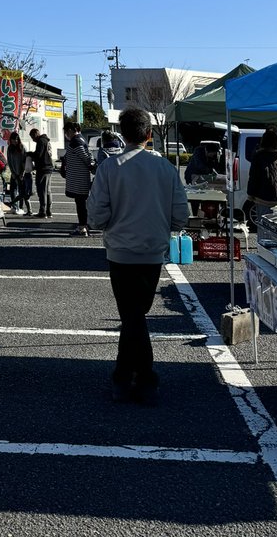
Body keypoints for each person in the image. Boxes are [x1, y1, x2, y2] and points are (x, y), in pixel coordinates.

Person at [87, 106, 189, 405]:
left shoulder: (110, 167)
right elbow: (180, 215)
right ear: (149, 134)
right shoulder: (165, 168)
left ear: (123, 133)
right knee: (136, 314)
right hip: (153, 251)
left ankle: (130, 378)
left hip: (120, 252)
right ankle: (140, 379)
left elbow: (96, 215)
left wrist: (110, 223)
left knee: (132, 316)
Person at [246, 126, 277, 224]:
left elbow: (253, 178)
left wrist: (250, 195)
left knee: (264, 227)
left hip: (263, 198)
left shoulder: (258, 155)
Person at [62, 120, 93, 235]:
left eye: (66, 132)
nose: (66, 135)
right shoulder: (81, 139)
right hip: (80, 178)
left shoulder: (76, 141)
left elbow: (86, 157)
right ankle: (83, 226)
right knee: (81, 203)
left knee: (80, 204)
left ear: (70, 130)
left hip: (78, 179)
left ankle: (82, 227)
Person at [31, 129, 54, 218]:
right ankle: (49, 211)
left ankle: (42, 211)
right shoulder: (46, 141)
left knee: (42, 190)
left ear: (36, 134)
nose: (33, 139)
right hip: (49, 167)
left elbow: (38, 155)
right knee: (48, 190)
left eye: (32, 137)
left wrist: (30, 155)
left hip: (43, 168)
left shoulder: (40, 141)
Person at [7, 131, 28, 215]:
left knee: (21, 191)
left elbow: (25, 161)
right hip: (14, 173)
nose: (14, 141)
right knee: (12, 190)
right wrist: (12, 172)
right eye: (13, 140)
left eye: (16, 140)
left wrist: (22, 173)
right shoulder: (10, 148)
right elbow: (9, 161)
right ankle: (14, 207)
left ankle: (21, 207)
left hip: (21, 173)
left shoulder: (22, 147)